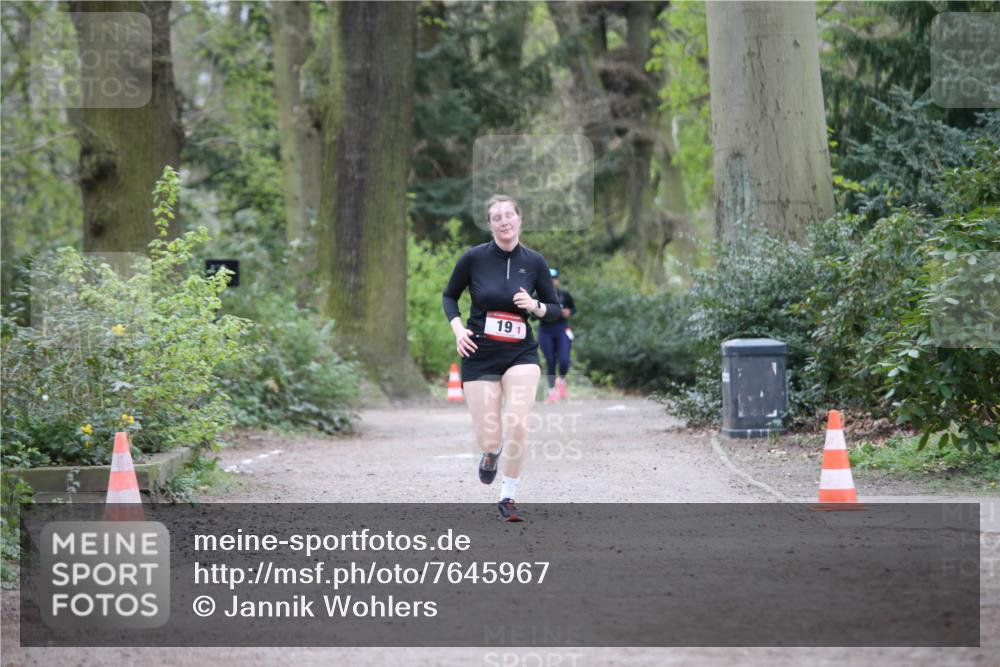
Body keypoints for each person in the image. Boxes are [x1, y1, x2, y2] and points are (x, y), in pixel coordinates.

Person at [442, 194, 562, 521]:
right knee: (490, 435)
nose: (504, 221)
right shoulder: (474, 258)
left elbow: (553, 310)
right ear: (490, 224)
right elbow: (450, 295)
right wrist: (458, 331)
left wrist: (535, 306)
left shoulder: (534, 262)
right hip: (479, 353)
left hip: (520, 352)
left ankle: (508, 496)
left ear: (520, 219)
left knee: (518, 424)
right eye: (497, 217)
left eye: (509, 215)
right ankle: (491, 452)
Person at [537, 268, 576, 403]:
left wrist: (568, 312)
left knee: (564, 360)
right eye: (549, 278)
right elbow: (532, 316)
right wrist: (541, 312)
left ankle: (562, 380)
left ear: (557, 280)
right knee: (550, 361)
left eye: (554, 279)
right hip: (545, 331)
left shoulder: (564, 295)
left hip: (561, 330)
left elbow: (573, 309)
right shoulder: (539, 296)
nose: (551, 281)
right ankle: (552, 390)